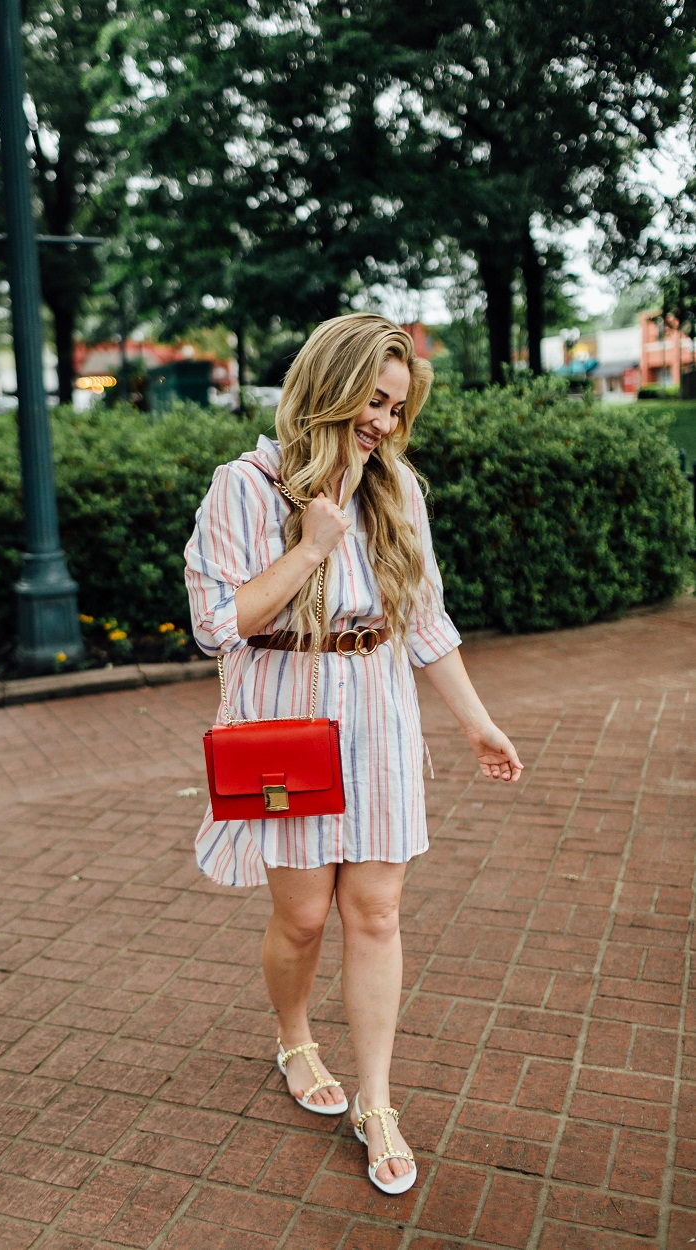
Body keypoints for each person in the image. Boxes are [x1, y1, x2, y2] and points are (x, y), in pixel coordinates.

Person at [184, 313, 523, 1195]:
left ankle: (378, 1102)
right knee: (301, 918)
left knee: (375, 911)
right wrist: (311, 549)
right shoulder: (246, 486)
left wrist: (477, 722)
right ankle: (296, 1038)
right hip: (284, 723)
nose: (382, 422)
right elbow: (219, 624)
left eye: (396, 408)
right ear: (326, 385)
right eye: (372, 401)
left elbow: (424, 621)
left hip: (377, 712)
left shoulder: (395, 488)